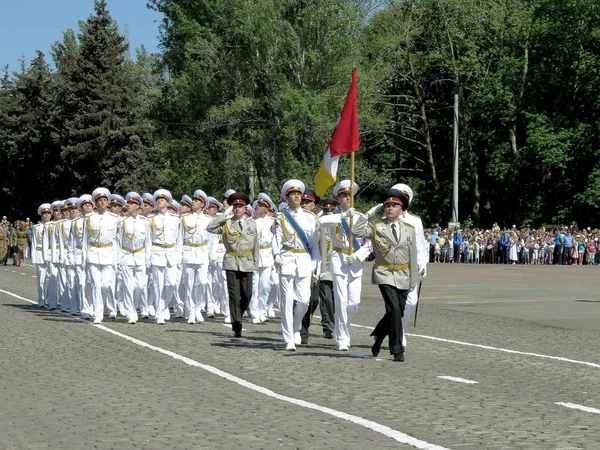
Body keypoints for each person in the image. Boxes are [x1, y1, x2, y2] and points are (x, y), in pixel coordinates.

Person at [353, 188, 418, 362]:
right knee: (394, 308)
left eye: (394, 205)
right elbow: (356, 231)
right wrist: (367, 214)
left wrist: (414, 279)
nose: (390, 208)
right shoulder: (376, 226)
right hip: (384, 272)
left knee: (397, 311)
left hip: (404, 273)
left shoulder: (409, 229)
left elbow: (413, 255)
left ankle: (379, 334)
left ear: (401, 209)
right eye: (387, 205)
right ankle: (397, 349)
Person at [317, 180, 376, 350]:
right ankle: (342, 336)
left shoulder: (360, 217)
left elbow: (372, 241)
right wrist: (343, 216)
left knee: (354, 302)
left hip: (355, 262)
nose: (347, 199)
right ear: (338, 198)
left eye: (350, 196)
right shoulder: (333, 216)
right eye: (344, 196)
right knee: (341, 300)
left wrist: (358, 256)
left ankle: (341, 328)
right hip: (339, 259)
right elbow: (321, 223)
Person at [272, 180, 321, 351]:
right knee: (286, 301)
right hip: (286, 259)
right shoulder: (281, 217)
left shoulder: (310, 218)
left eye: (299, 194)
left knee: (304, 301)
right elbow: (276, 238)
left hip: (304, 260)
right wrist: (276, 254)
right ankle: (288, 338)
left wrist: (316, 263)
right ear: (287, 197)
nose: (297, 196)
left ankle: (295, 326)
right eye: (293, 194)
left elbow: (314, 243)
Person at [207, 192, 259, 337]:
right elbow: (210, 227)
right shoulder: (227, 223)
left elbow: (256, 246)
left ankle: (238, 315)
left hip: (247, 263)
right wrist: (225, 214)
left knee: (247, 295)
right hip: (231, 262)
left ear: (245, 208)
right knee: (234, 295)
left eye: (240, 206)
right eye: (235, 206)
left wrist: (256, 265)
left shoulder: (252, 224)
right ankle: (237, 324)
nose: (237, 209)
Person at [83, 188, 121, 323]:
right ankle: (98, 314)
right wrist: (84, 258)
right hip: (93, 253)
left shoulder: (115, 218)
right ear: (96, 203)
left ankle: (102, 307)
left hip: (108, 253)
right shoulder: (89, 218)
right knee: (95, 284)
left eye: (105, 200)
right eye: (100, 201)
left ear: (108, 202)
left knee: (106, 285)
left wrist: (117, 259)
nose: (103, 203)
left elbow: (117, 240)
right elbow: (84, 240)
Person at [149, 189, 182, 325]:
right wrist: (149, 256)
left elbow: (179, 240)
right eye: (157, 200)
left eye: (162, 200)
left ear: (167, 202)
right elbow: (148, 240)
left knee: (171, 284)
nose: (159, 202)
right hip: (157, 252)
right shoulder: (151, 220)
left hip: (171, 253)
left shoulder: (176, 219)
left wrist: (178, 256)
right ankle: (159, 313)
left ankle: (163, 307)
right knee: (158, 285)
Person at [118, 192, 152, 324]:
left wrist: (148, 258)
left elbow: (148, 242)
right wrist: (118, 259)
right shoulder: (122, 222)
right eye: (129, 203)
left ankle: (135, 306)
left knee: (140, 286)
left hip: (140, 255)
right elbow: (118, 241)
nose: (129, 205)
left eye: (132, 203)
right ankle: (130, 312)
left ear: (138, 206)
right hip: (126, 255)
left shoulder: (145, 222)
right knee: (128, 286)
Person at [181, 189, 214, 324]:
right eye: (193, 200)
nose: (193, 202)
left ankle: (198, 309)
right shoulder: (185, 218)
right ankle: (190, 311)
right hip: (188, 252)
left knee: (202, 283)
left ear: (203, 204)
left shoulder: (208, 220)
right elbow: (179, 239)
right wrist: (179, 256)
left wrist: (212, 255)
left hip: (202, 253)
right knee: (189, 284)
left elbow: (212, 240)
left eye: (196, 201)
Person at [250, 192, 277, 324]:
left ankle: (262, 309)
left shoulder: (272, 222)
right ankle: (254, 312)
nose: (257, 207)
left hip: (267, 255)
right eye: (257, 205)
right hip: (254, 255)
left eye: (260, 206)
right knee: (254, 286)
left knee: (265, 286)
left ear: (266, 208)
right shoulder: (252, 222)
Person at [32, 204, 52, 307]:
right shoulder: (36, 227)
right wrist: (34, 257)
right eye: (44, 213)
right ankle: (41, 300)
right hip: (40, 254)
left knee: (52, 278)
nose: (46, 215)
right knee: (41, 279)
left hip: (50, 254)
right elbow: (34, 242)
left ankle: (50, 297)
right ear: (41, 215)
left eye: (48, 213)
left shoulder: (54, 226)